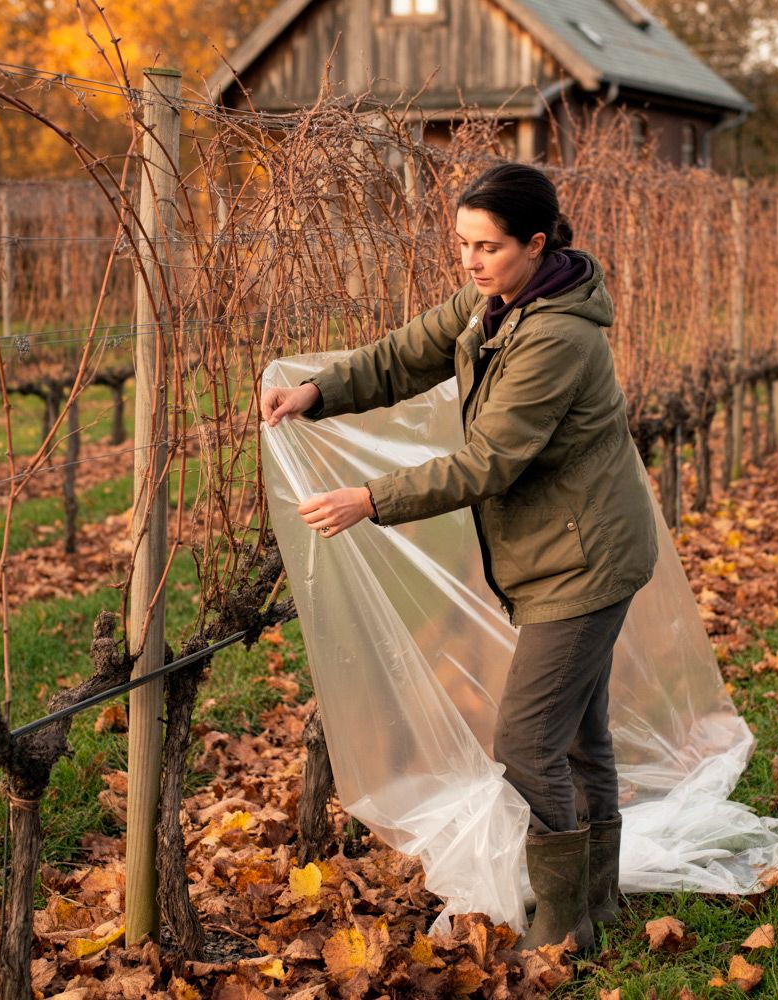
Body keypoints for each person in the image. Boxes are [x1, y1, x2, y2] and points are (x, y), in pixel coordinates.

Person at [261, 162, 658, 951]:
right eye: (462, 245)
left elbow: (488, 462)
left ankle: (560, 929)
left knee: (526, 742)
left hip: (583, 562)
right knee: (579, 735)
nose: (470, 262)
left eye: (487, 246)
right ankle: (595, 905)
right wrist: (318, 391)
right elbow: (405, 355)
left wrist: (368, 500)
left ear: (535, 244)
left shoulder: (557, 337)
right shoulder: (500, 304)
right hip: (558, 552)